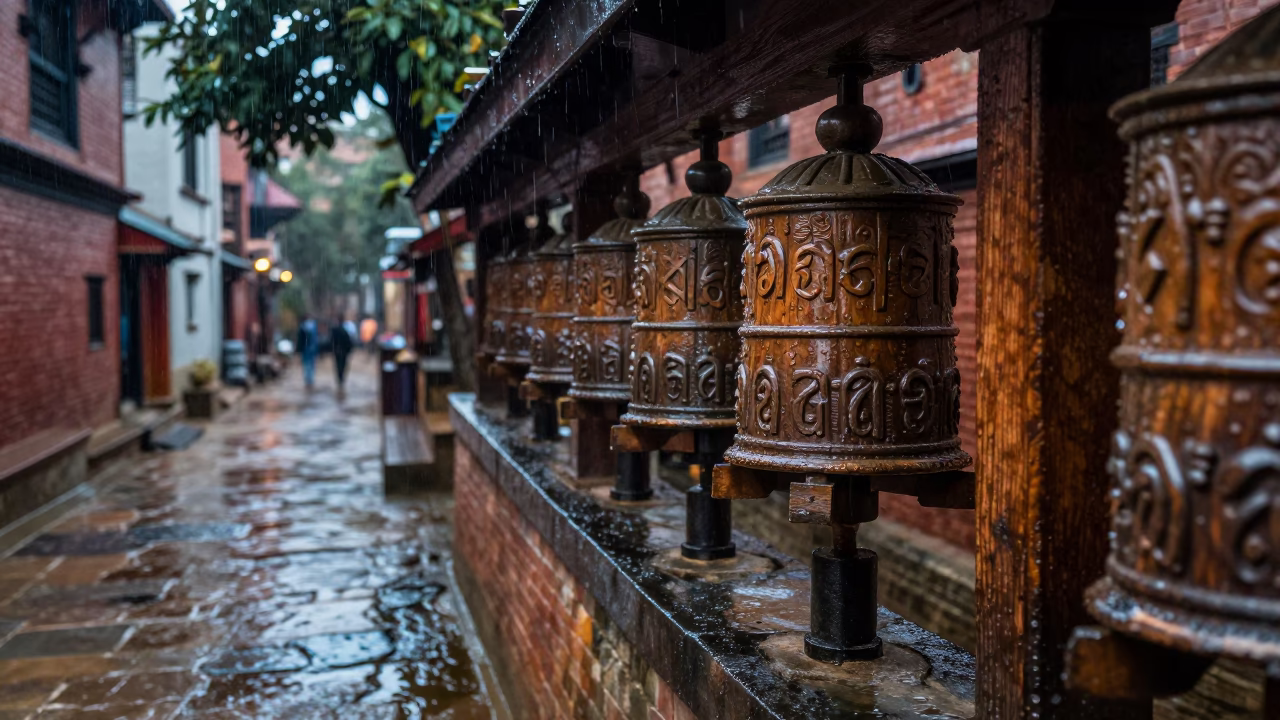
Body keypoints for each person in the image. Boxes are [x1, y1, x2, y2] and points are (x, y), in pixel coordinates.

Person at [331, 318, 355, 390]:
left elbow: (332, 341)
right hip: (343, 352)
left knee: (339, 365)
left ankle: (340, 378)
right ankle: (341, 378)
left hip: (338, 351)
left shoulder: (335, 330)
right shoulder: (345, 330)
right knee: (342, 365)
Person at [297, 315, 319, 389]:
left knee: (306, 365)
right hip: (311, 349)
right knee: (311, 365)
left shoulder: (302, 327)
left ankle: (308, 381)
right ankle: (310, 381)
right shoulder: (313, 326)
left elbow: (300, 339)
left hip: (306, 349)